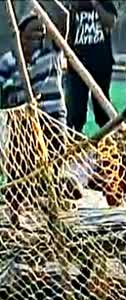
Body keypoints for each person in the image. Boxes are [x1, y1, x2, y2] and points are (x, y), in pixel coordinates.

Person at [0, 7, 82, 225]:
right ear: (21, 35)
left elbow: (65, 17)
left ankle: (54, 216)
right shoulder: (9, 61)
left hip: (52, 120)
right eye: (33, 33)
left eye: (41, 33)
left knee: (53, 168)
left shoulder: (51, 53)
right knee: (18, 171)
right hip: (22, 125)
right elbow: (3, 92)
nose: (38, 36)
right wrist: (13, 98)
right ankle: (14, 215)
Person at [66, 0, 118, 134]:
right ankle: (74, 142)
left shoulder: (103, 2)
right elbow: (61, 29)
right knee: (75, 111)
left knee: (102, 109)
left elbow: (110, 22)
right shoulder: (71, 4)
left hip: (101, 64)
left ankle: (109, 141)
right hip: (76, 66)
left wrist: (95, 4)